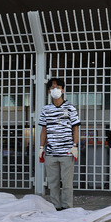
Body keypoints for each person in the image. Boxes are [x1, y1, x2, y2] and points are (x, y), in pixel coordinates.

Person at [38, 78, 80, 210]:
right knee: (53, 183)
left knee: (67, 184)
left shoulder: (70, 108)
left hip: (67, 152)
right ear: (49, 91)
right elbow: (43, 130)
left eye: (57, 87)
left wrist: (75, 146)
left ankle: (68, 208)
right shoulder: (46, 109)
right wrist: (41, 147)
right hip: (51, 153)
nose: (54, 90)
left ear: (62, 90)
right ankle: (56, 207)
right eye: (52, 88)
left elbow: (76, 129)